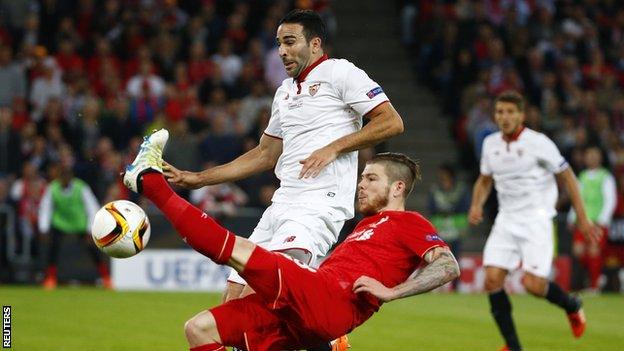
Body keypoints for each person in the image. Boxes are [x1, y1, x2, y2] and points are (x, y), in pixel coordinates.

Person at [164, 7, 403, 323]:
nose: (282, 52)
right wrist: (199, 178)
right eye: (278, 44)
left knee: (258, 300)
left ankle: (327, 336)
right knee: (232, 300)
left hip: (317, 207)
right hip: (281, 205)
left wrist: (333, 148)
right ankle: (327, 339)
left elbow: (391, 121)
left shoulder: (341, 73)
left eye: (290, 42)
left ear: (315, 43)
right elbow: (264, 154)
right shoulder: (285, 92)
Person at [123, 129, 460, 351]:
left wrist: (392, 292)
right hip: (313, 312)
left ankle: (148, 181)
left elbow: (447, 265)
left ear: (397, 188)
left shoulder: (409, 222)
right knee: (199, 328)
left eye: (371, 178)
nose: (361, 185)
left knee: (238, 250)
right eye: (362, 178)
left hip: (327, 299)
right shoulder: (365, 227)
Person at [468, 91, 602, 351]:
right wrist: (476, 204)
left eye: (510, 112)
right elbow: (485, 179)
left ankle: (572, 305)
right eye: (500, 112)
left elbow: (568, 177)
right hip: (506, 219)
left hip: (536, 219)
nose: (504, 117)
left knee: (533, 285)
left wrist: (583, 219)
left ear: (521, 115)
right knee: (492, 279)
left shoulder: (539, 143)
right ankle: (513, 346)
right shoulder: (490, 143)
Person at [38, 144, 110, 289]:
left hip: (80, 223)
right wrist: (44, 228)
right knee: (53, 247)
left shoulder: (81, 187)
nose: (65, 179)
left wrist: (91, 229)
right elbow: (45, 208)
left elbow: (92, 207)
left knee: (93, 250)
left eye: (67, 176)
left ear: (71, 176)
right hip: (61, 223)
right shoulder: (52, 188)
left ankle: (106, 277)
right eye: (62, 176)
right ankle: (50, 278)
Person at [569, 146, 616, 292]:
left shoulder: (606, 176)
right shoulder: (582, 176)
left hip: (597, 222)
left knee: (594, 251)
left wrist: (602, 220)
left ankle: (595, 286)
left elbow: (610, 200)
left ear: (600, 158)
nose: (592, 158)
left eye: (595, 155)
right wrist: (572, 216)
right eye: (589, 155)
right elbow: (577, 198)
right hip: (583, 222)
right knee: (578, 251)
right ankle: (596, 277)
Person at [428, 163, 470, 290]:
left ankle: (455, 285)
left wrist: (449, 211)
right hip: (440, 226)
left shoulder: (461, 189)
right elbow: (431, 207)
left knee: (455, 255)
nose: (441, 176)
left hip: (456, 226)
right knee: (439, 255)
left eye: (444, 173)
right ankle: (437, 285)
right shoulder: (435, 189)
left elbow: (465, 206)